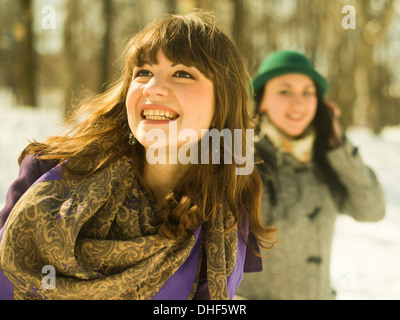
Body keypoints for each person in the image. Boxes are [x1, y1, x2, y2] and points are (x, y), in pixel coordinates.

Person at [0, 11, 276, 300]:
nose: (153, 88)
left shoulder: (228, 210)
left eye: (182, 73)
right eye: (143, 72)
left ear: (223, 100)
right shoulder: (48, 172)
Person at [236, 50, 385, 300]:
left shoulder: (327, 161)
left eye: (308, 92)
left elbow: (371, 209)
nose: (299, 103)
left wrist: (339, 146)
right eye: (284, 91)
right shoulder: (243, 159)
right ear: (261, 101)